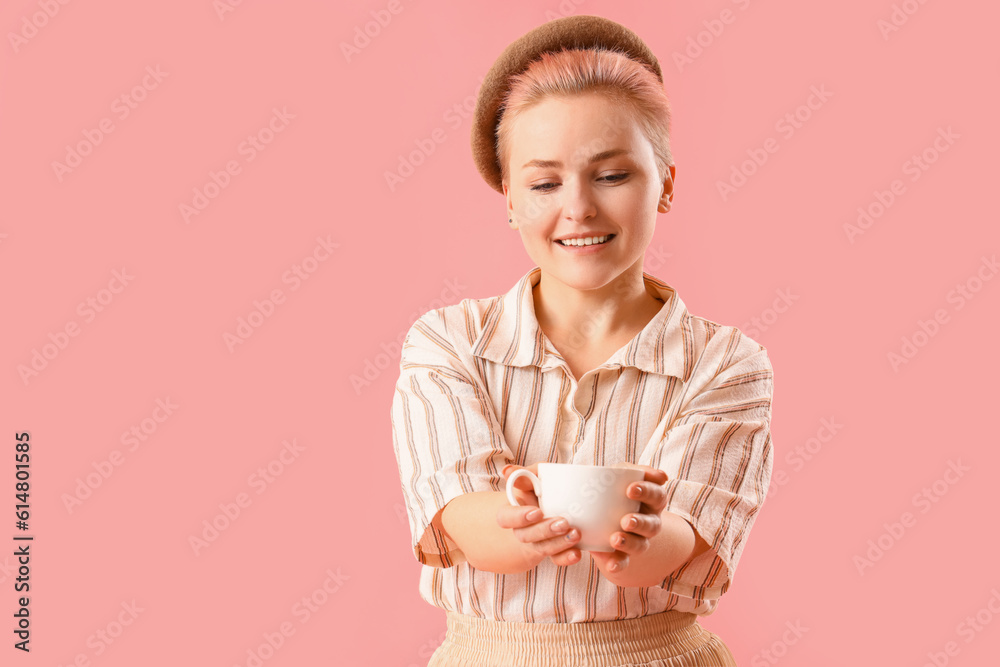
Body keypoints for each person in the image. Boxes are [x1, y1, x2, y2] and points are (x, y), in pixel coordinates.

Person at [390, 14, 774, 666]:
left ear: (667, 185)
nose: (579, 209)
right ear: (509, 198)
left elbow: (680, 541)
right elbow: (463, 519)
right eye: (544, 183)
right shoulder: (448, 343)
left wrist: (647, 539)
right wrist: (520, 519)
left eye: (613, 175)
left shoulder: (725, 364)